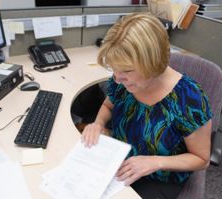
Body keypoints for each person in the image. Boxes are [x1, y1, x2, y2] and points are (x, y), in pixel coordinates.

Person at [82, 12, 212, 199]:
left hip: (158, 177)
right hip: (117, 160)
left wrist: (154, 162)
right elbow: (108, 106)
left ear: (153, 63)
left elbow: (201, 160)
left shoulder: (189, 98)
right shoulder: (123, 82)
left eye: (126, 70)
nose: (117, 78)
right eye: (114, 69)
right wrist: (98, 124)